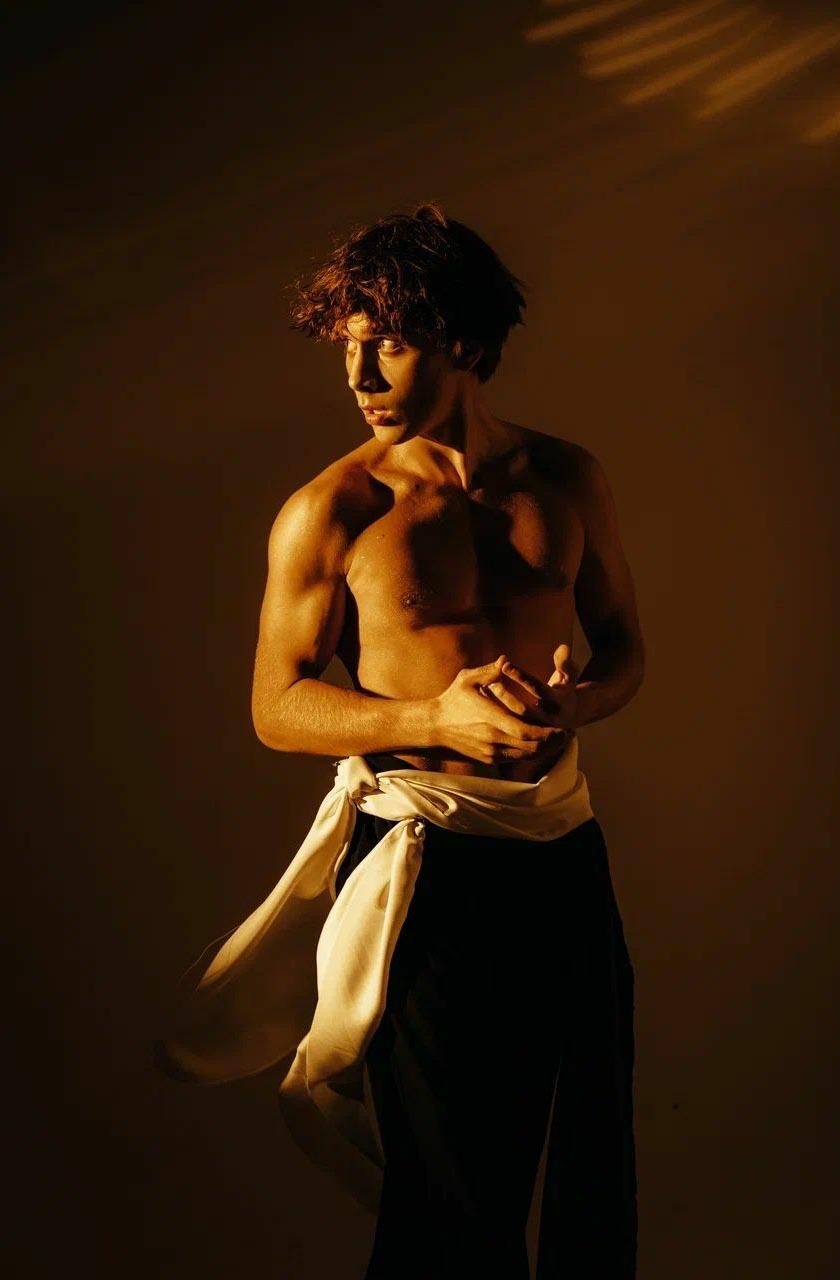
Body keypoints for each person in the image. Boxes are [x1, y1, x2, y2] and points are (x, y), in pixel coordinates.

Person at [161, 203, 645, 1278]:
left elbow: (622, 646)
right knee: (451, 1196)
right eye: (348, 348)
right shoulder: (332, 509)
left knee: (591, 1163)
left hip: (563, 847)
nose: (359, 375)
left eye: (387, 343)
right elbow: (276, 705)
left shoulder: (565, 478)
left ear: (462, 341)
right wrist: (433, 718)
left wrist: (579, 703)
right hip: (429, 862)